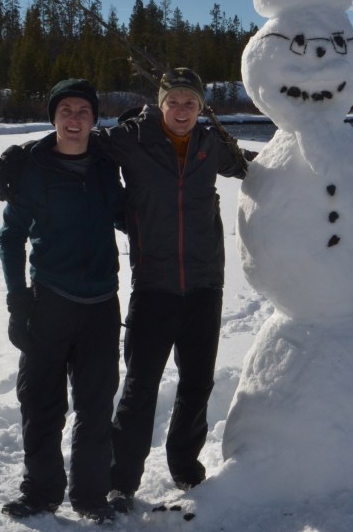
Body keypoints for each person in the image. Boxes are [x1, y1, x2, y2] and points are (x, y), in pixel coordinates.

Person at [95, 68, 250, 513]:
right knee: (140, 386)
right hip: (154, 285)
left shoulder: (210, 143)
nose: (182, 111)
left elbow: (252, 167)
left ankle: (185, 466)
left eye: (190, 103)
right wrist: (20, 158)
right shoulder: (133, 138)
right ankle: (121, 480)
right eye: (174, 102)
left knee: (197, 383)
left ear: (201, 108)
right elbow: (78, 143)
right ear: (159, 104)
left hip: (205, 283)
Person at [0, 78, 124, 523]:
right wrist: (18, 301)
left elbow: (124, 213)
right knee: (41, 402)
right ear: (53, 117)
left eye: (83, 111)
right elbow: (10, 237)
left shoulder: (106, 165)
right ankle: (41, 492)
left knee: (96, 405)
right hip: (50, 301)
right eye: (65, 110)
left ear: (94, 119)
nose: (74, 119)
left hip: (102, 304)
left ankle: (91, 496)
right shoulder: (32, 169)